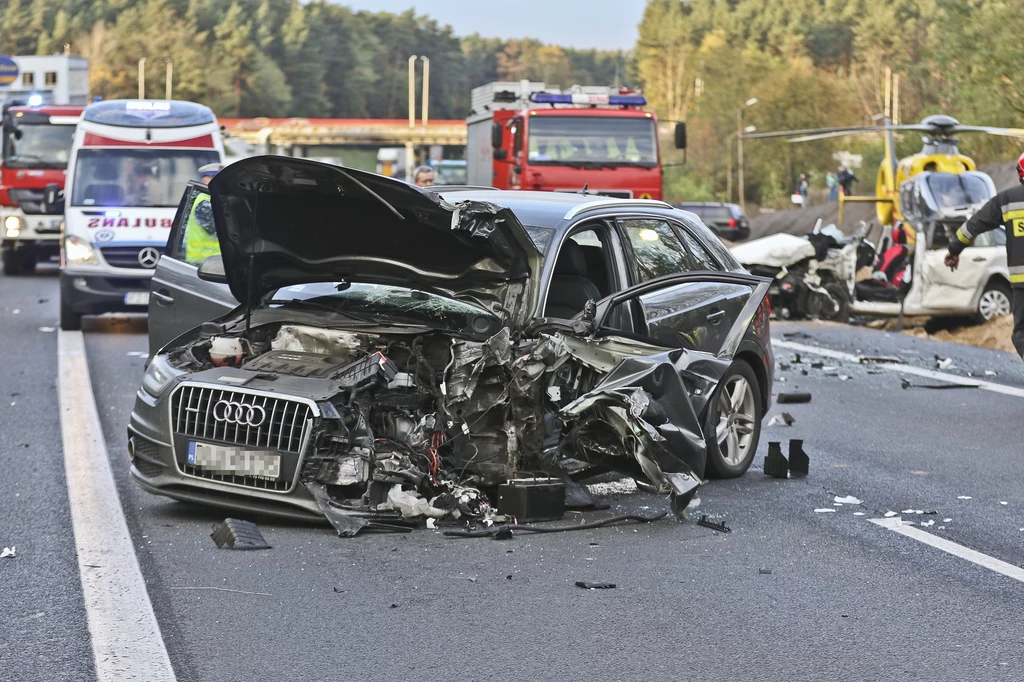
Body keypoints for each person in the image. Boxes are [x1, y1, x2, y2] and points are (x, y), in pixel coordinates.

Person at [945, 151, 1024, 360]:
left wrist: (954, 249)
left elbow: (974, 225)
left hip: (1022, 283)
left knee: (1022, 333)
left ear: (1020, 173)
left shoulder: (1007, 200)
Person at [184, 164, 222, 265]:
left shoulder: (210, 200)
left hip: (210, 262)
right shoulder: (204, 202)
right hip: (202, 263)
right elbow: (219, 230)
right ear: (204, 181)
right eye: (214, 179)